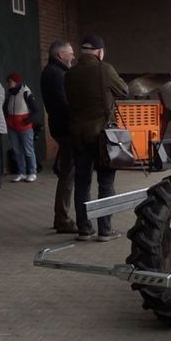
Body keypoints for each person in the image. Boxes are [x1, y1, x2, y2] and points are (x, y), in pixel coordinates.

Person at [64, 35, 128, 241]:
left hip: (78, 135)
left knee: (82, 183)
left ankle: (84, 229)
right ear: (99, 52)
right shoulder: (105, 69)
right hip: (101, 136)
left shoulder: (70, 73)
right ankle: (105, 230)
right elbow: (124, 91)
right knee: (106, 182)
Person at [40, 39, 78, 233]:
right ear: (61, 55)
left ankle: (62, 217)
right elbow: (64, 104)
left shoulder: (52, 72)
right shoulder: (57, 75)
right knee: (68, 175)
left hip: (60, 127)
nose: (73, 56)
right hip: (66, 128)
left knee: (67, 171)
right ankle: (62, 218)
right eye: (70, 52)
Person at [4, 72, 39, 183]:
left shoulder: (26, 93)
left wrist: (27, 121)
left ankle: (32, 172)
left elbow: (35, 110)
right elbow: (5, 109)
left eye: (10, 82)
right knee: (17, 150)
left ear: (16, 82)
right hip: (12, 126)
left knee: (28, 150)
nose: (8, 84)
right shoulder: (10, 94)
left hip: (25, 127)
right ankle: (21, 172)